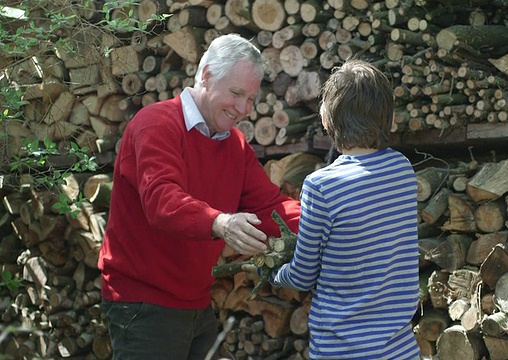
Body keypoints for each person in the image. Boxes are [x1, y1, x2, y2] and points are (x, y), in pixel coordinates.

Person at [97, 33, 300, 360]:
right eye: (236, 93)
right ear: (205, 76)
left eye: (250, 98)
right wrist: (220, 222)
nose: (243, 108)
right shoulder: (156, 124)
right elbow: (163, 202)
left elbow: (270, 206)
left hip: (195, 300)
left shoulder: (234, 144)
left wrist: (322, 220)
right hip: (143, 303)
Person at [267, 60, 421, 359]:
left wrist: (273, 272)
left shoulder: (321, 186)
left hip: (341, 350)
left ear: (327, 119)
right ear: (388, 118)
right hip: (399, 349)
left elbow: (302, 276)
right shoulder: (402, 170)